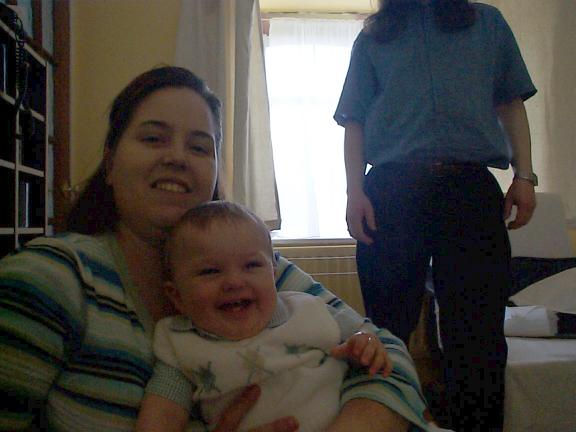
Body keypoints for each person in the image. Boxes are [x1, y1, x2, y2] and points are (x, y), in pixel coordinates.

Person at [0, 66, 438, 432]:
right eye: (153, 138)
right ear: (110, 163)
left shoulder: (258, 272)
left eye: (199, 147)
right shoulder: (50, 280)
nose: (177, 157)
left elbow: (390, 357)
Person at [334, 1, 537, 431]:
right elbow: (355, 121)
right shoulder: (375, 34)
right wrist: (354, 191)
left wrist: (525, 176)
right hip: (391, 192)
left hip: (469, 191)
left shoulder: (487, 23)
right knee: (387, 328)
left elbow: (511, 101)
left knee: (478, 333)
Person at [136, 200, 396, 431]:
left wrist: (364, 346)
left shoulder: (307, 309)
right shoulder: (181, 345)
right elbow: (162, 418)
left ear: (273, 274)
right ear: (177, 296)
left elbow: (368, 337)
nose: (234, 281)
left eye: (251, 265)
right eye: (210, 271)